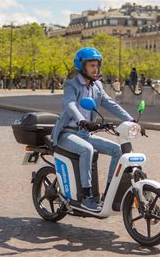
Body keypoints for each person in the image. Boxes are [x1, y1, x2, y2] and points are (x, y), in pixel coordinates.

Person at [51, 47, 135, 211]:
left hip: (84, 134)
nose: (95, 69)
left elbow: (111, 104)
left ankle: (109, 194)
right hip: (67, 134)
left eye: (97, 65)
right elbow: (70, 105)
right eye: (91, 65)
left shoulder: (97, 87)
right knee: (87, 150)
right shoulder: (71, 85)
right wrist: (82, 120)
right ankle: (87, 196)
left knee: (117, 150)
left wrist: (131, 120)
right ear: (82, 66)